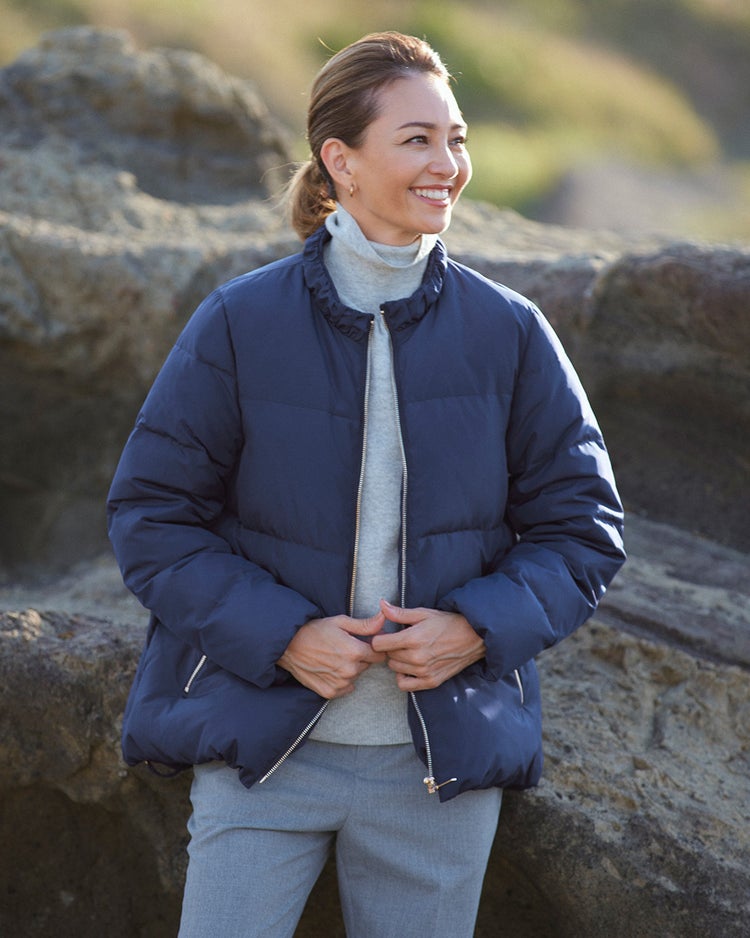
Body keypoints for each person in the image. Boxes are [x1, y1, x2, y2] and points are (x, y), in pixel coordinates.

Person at [107, 31, 626, 938]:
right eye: (417, 139)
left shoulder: (509, 331)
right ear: (339, 161)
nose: (448, 164)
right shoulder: (240, 322)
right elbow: (152, 517)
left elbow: (583, 527)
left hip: (438, 771)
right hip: (263, 754)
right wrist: (282, 637)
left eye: (456, 138)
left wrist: (475, 627)